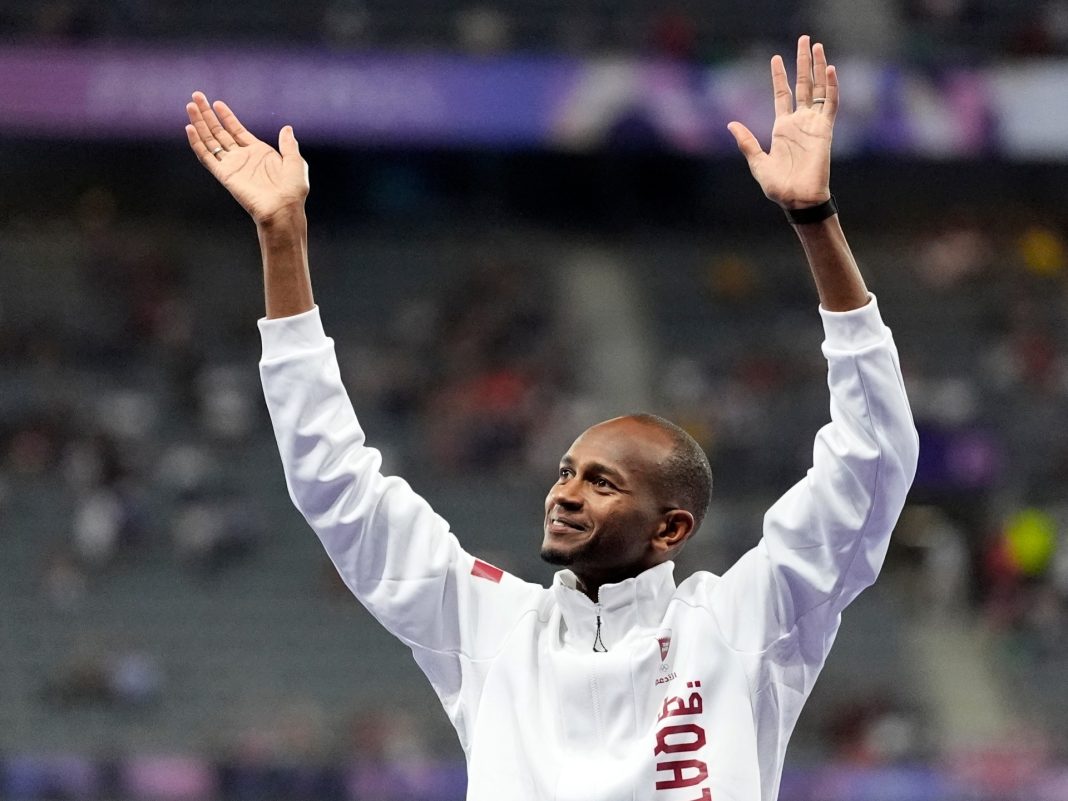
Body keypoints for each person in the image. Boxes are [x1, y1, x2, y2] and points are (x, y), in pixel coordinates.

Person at [185, 35, 918, 801]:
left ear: (671, 528)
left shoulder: (741, 625)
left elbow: (871, 461)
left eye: (602, 482)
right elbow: (335, 485)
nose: (564, 492)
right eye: (567, 471)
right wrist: (283, 240)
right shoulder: (494, 630)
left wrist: (814, 218)